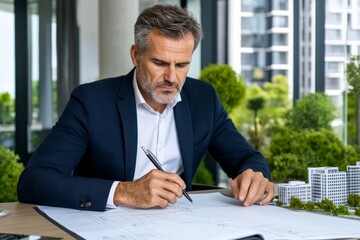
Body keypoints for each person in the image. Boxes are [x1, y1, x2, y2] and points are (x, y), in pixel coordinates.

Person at [17, 4, 274, 211]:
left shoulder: (202, 98)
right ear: (135, 55)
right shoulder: (91, 102)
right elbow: (35, 181)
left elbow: (245, 157)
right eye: (160, 63)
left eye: (182, 65)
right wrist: (123, 192)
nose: (172, 77)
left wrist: (254, 174)